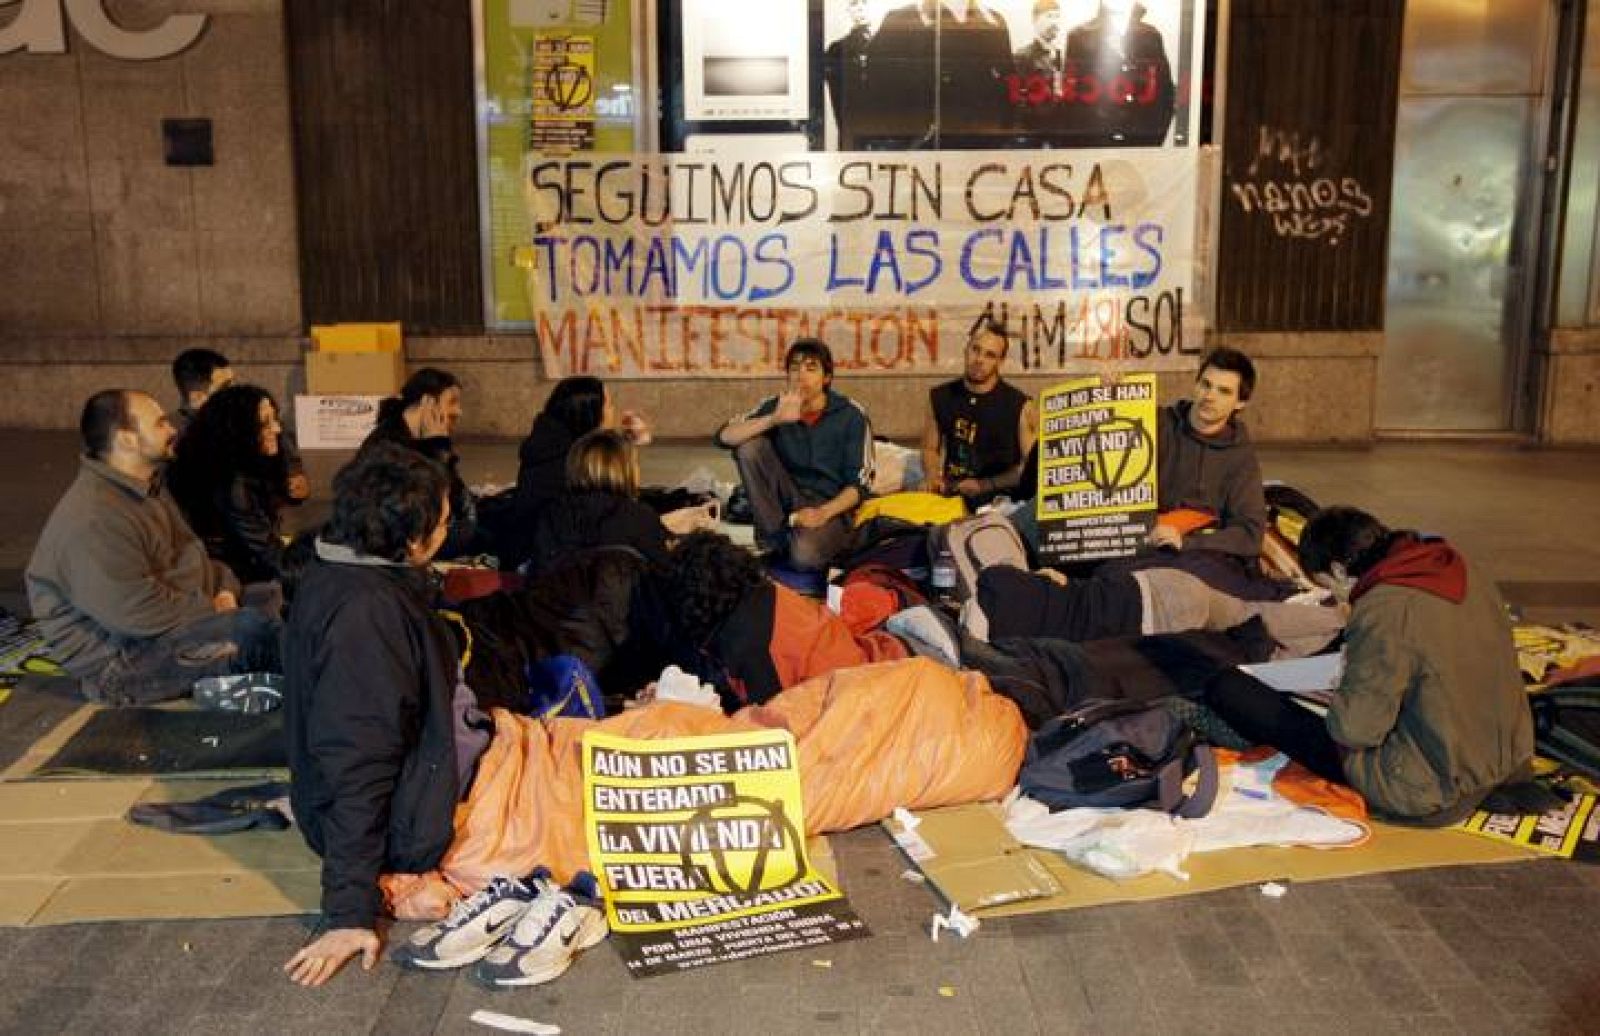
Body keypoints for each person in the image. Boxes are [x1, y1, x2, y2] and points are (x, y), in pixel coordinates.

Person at [282, 442, 490, 987]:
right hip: (409, 817)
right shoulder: (365, 617)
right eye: (442, 523)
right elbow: (356, 761)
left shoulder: (340, 566)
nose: (448, 532)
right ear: (407, 537)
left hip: (425, 766)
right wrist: (348, 911)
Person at [1204, 506, 1535, 825]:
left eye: (1328, 585)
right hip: (1506, 756)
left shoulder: (1383, 607)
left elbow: (1356, 730)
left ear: (1338, 570)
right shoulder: (1454, 564)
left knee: (1232, 690)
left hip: (1434, 783)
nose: (1340, 599)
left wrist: (1346, 688)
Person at [25, 390, 281, 705]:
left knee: (273, 594)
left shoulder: (145, 488)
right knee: (251, 630)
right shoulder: (94, 517)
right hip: (121, 664)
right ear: (127, 439)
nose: (173, 429)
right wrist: (213, 608)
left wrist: (224, 589)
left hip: (166, 625)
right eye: (160, 423)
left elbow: (195, 557)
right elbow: (137, 613)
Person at [659, 530, 903, 711]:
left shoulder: (748, 649)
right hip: (871, 669)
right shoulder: (766, 590)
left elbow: (771, 734)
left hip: (858, 705)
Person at [715, 340, 874, 572]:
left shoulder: (851, 415)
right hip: (788, 502)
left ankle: (805, 543)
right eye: (795, 368)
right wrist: (773, 420)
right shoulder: (778, 406)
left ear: (826, 377)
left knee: (804, 556)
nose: (801, 375)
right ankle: (772, 539)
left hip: (831, 508)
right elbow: (724, 436)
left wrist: (823, 513)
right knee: (749, 447)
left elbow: (860, 485)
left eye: (811, 368)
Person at [167, 385, 290, 585]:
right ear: (239, 431)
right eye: (265, 423)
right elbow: (269, 554)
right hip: (237, 582)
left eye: (275, 419)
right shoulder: (234, 487)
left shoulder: (230, 469)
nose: (277, 429)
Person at [359, 367, 480, 560]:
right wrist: (438, 447)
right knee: (481, 533)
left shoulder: (420, 436)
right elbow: (435, 497)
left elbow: (456, 495)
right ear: (427, 402)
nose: (459, 411)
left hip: (421, 527)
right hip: (398, 538)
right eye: (452, 402)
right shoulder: (388, 444)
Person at [862, 0, 1015, 147]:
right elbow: (878, 86)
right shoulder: (900, 20)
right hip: (918, 143)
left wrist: (1000, 133)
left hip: (980, 141)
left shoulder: (993, 21)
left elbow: (1008, 83)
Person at [523, 429, 670, 577]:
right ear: (624, 470)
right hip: (623, 598)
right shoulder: (641, 517)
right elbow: (663, 576)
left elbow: (538, 572)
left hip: (560, 597)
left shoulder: (552, 514)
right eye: (636, 464)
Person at [921, 319, 1036, 507]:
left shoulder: (1020, 405)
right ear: (966, 350)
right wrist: (932, 476)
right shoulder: (940, 397)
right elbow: (929, 448)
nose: (979, 360)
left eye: (990, 355)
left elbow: (1030, 467)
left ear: (1000, 361)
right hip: (952, 495)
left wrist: (985, 484)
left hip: (1001, 500)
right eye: (975, 349)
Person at [171, 347, 308, 503]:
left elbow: (288, 461)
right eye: (225, 387)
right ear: (197, 397)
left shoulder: (254, 417)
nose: (235, 391)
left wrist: (295, 477)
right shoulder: (173, 435)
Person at [1062, 0, 1176, 147]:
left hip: (1140, 144)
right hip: (1093, 143)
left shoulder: (1150, 36)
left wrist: (1151, 139)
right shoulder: (1079, 36)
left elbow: (1164, 95)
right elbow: (1071, 100)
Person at [823, 0, 876, 148]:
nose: (860, 8)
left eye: (864, 2)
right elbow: (838, 103)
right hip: (855, 136)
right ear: (848, 9)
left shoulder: (887, 45)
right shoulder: (837, 50)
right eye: (854, 3)